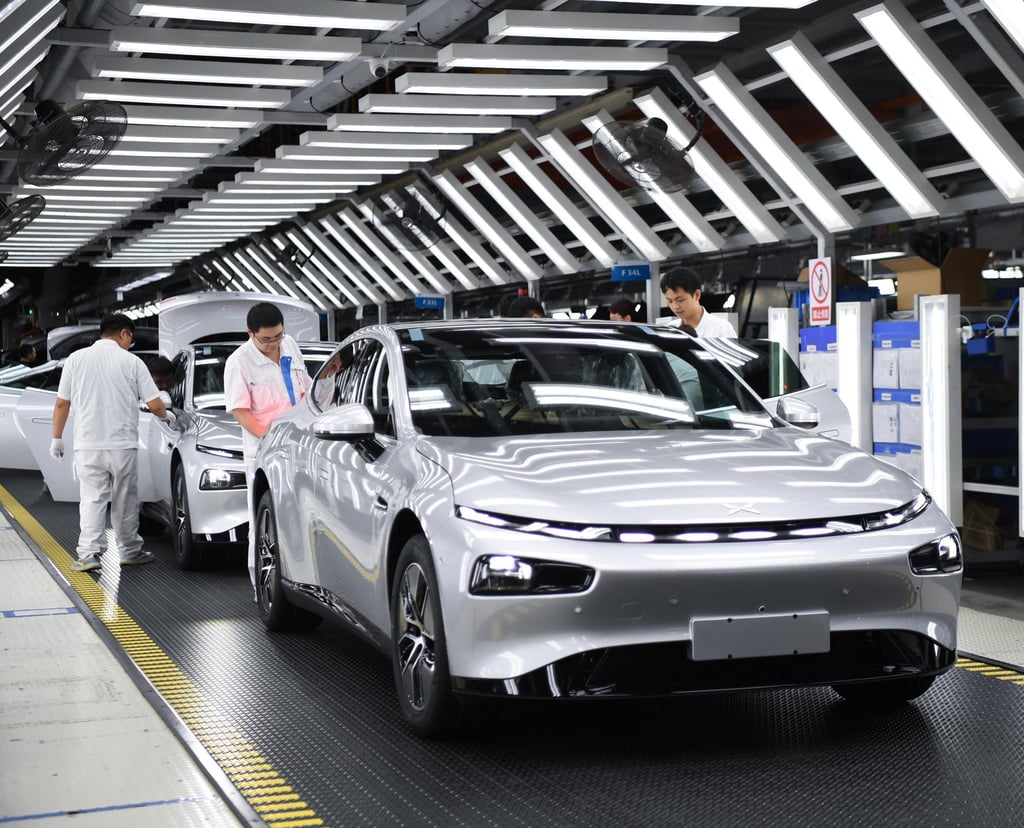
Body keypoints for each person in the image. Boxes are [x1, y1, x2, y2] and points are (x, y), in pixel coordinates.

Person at [49, 313, 175, 572]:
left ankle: (89, 554)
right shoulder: (132, 362)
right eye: (131, 338)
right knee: (125, 500)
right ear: (124, 334)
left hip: (87, 444)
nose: (131, 344)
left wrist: (56, 437)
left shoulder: (76, 359)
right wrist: (168, 416)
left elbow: (62, 402)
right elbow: (154, 403)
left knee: (92, 498)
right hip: (122, 444)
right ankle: (129, 550)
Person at [223, 302, 312, 594]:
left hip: (301, 447)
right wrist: (269, 439)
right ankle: (263, 590)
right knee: (264, 520)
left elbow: (305, 389)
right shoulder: (239, 362)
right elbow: (241, 411)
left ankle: (301, 584)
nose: (273, 344)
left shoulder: (291, 346)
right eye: (266, 339)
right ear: (250, 333)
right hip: (265, 452)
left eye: (278, 336)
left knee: (301, 518)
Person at [659, 266, 738, 337]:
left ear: (697, 295)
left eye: (680, 300)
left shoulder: (721, 329)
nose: (675, 306)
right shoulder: (669, 330)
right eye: (670, 301)